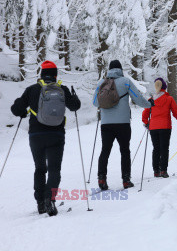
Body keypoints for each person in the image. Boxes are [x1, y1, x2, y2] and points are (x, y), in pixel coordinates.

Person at [11, 61, 81, 216]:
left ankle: (41, 203)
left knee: (40, 168)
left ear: (41, 74)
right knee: (55, 169)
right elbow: (75, 106)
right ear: (56, 75)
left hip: (36, 136)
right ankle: (50, 198)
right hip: (56, 135)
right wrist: (73, 95)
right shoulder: (62, 89)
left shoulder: (32, 90)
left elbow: (15, 109)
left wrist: (23, 110)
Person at [93, 60, 153, 190]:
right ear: (120, 69)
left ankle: (101, 178)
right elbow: (138, 99)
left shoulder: (101, 83)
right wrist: (149, 104)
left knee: (105, 150)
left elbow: (95, 103)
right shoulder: (126, 81)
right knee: (125, 151)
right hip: (123, 123)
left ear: (109, 69)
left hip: (106, 124)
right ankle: (126, 180)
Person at [142, 78, 177, 178]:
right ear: (164, 87)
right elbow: (175, 111)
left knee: (156, 149)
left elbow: (145, 113)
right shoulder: (169, 99)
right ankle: (163, 171)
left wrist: (146, 123)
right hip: (165, 127)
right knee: (164, 148)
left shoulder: (151, 100)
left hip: (153, 128)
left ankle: (156, 171)